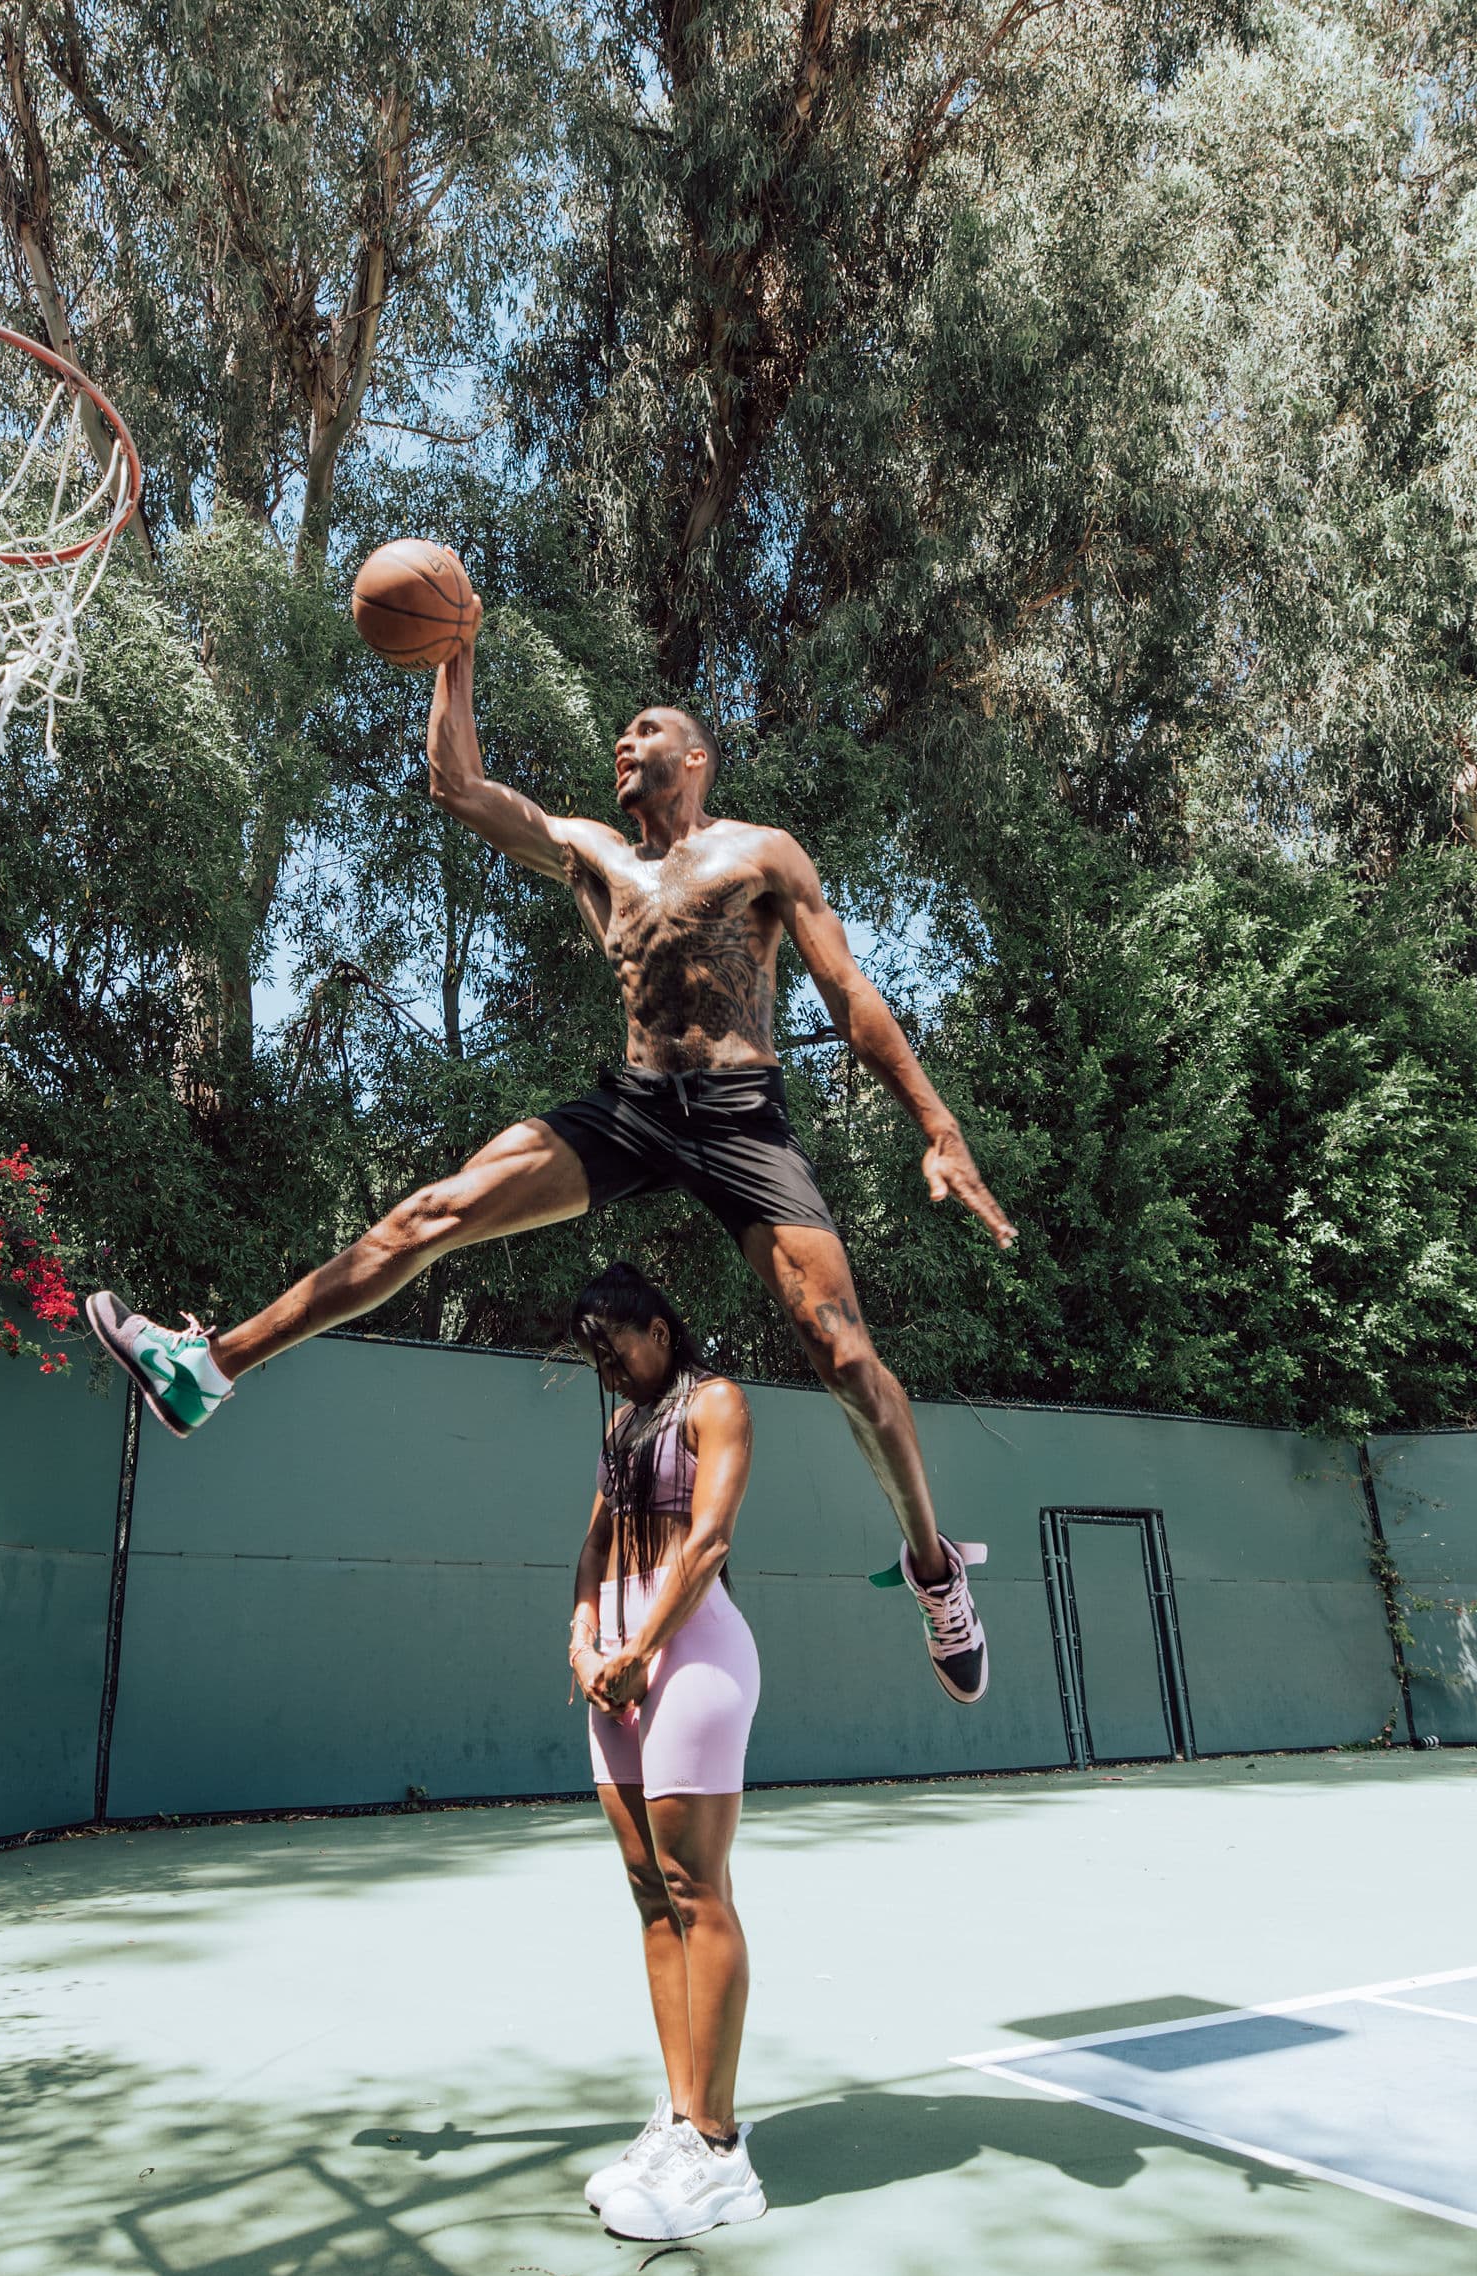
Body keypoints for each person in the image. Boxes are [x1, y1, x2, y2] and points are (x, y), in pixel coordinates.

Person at [84, 618, 1018, 1700]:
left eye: (647, 729)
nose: (626, 743)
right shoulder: (592, 850)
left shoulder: (760, 853)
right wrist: (455, 647)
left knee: (847, 1358)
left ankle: (936, 1570)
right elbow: (460, 784)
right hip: (630, 1107)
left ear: (698, 758)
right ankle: (204, 1371)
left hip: (741, 1115)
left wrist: (938, 1126)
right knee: (428, 1215)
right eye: (619, 735)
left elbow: (852, 996)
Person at [565, 1264, 768, 2240]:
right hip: (617, 1666)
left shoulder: (715, 1400)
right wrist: (583, 1639)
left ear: (659, 1324)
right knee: (650, 1892)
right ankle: (681, 2110)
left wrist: (643, 1650)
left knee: (697, 1889)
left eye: (614, 1343)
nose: (605, 1363)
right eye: (591, 1351)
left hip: (690, 1659)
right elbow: (595, 1550)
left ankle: (721, 2147)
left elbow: (711, 1538)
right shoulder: (617, 1429)